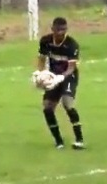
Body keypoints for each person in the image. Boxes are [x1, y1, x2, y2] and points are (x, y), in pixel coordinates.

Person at [36, 17, 85, 150]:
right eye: (58, 30)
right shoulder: (45, 41)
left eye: (63, 30)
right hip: (53, 76)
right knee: (47, 107)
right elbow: (41, 59)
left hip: (69, 77)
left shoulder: (72, 45)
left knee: (67, 104)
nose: (60, 33)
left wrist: (61, 78)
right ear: (52, 29)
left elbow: (71, 67)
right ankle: (58, 140)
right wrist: (40, 73)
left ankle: (79, 139)